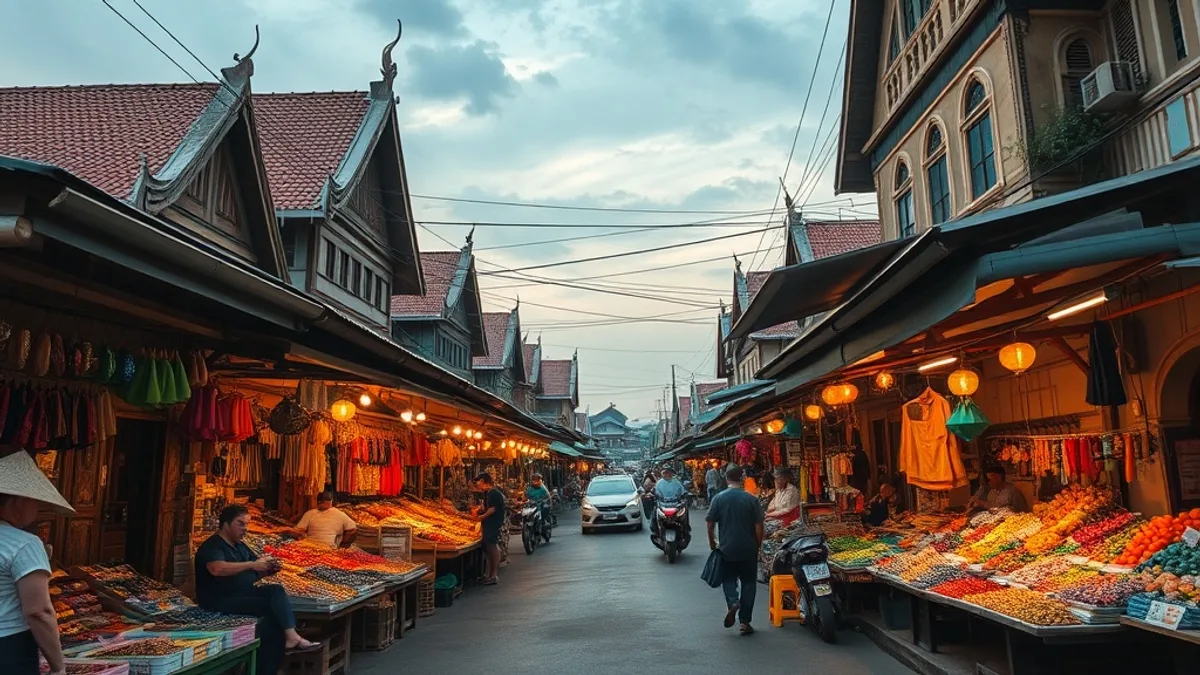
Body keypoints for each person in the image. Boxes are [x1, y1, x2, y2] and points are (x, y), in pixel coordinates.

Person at [196, 505, 320, 675]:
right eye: (240, 524)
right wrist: (253, 564)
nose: (244, 529)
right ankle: (288, 642)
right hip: (219, 600)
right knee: (272, 611)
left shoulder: (241, 546)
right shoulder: (213, 546)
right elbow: (216, 569)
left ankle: (274, 662)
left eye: (246, 524)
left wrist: (267, 569)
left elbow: (252, 573)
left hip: (241, 595)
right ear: (225, 523)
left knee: (274, 600)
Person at [0, 450, 72, 675]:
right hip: (9, 647)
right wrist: (58, 667)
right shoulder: (25, 544)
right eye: (35, 501)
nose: (38, 508)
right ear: (19, 501)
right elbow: (38, 611)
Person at [706, 466, 764, 636]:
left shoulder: (718, 498)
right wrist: (757, 545)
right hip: (748, 548)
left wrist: (712, 544)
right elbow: (759, 526)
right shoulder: (751, 499)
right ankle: (745, 622)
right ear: (743, 478)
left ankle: (732, 602)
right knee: (749, 584)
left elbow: (710, 524)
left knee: (729, 580)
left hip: (727, 549)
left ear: (726, 479)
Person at [471, 473, 506, 585]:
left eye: (478, 482)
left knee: (492, 546)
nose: (477, 484)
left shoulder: (493, 493)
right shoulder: (490, 493)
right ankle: (489, 574)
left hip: (493, 523)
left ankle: (494, 575)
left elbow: (492, 510)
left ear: (482, 480)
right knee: (489, 547)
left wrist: (480, 517)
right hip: (491, 522)